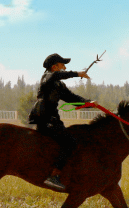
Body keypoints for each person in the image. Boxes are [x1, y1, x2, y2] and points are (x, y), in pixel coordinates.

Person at [28, 53, 92, 193]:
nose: (64, 67)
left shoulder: (58, 84)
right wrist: (77, 73)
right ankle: (53, 176)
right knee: (70, 143)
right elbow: (57, 75)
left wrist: (89, 103)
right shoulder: (48, 77)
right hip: (45, 119)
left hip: (53, 119)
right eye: (62, 64)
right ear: (54, 66)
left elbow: (71, 97)